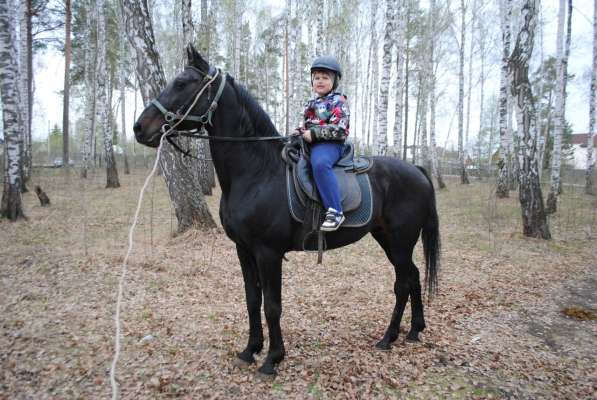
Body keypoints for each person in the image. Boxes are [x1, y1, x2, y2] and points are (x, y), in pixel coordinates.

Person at [298, 55, 350, 232]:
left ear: (334, 81)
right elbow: (303, 124)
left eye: (325, 77)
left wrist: (314, 133)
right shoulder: (310, 103)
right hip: (309, 142)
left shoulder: (339, 101)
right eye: (317, 78)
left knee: (320, 164)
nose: (320, 81)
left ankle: (335, 210)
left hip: (330, 144)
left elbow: (340, 129)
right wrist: (298, 132)